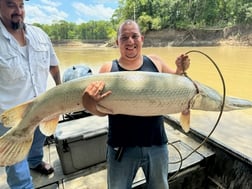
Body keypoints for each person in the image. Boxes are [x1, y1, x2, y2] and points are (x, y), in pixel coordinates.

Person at [82, 19, 190, 189]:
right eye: (124, 38)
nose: (130, 41)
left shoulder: (156, 62)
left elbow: (176, 86)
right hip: (121, 149)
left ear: (142, 39)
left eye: (134, 36)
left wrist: (180, 69)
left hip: (157, 144)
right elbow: (101, 111)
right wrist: (89, 104)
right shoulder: (108, 69)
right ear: (117, 42)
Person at [0, 0, 61, 188]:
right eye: (11, 5)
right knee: (17, 169)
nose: (18, 11)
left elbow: (53, 65)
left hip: (41, 106)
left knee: (38, 140)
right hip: (10, 117)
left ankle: (35, 162)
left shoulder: (39, 35)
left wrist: (60, 92)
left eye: (21, 5)